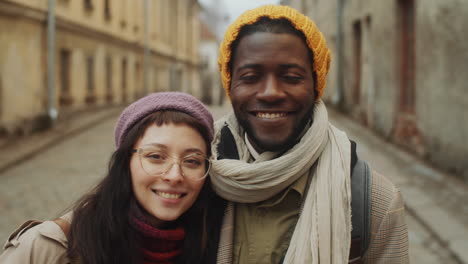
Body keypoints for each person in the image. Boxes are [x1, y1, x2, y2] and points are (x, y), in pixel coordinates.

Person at [209, 5, 409, 264]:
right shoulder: (195, 181)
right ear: (230, 84)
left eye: (291, 77)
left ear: (316, 85)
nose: (271, 92)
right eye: (250, 77)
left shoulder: (376, 203)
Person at [0, 92, 225, 264]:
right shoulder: (47, 249)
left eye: (192, 161)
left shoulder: (222, 243)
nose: (175, 175)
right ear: (125, 162)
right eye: (155, 156)